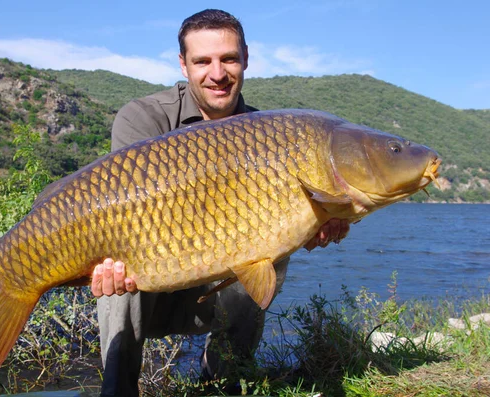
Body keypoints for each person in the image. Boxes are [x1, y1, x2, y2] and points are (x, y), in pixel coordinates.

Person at [90, 9, 350, 397]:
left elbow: (293, 220)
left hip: (212, 296)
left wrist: (317, 224)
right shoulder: (143, 118)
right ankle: (118, 390)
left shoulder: (271, 135)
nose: (217, 73)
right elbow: (127, 213)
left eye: (228, 58)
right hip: (151, 283)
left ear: (246, 57)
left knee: (268, 257)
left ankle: (222, 382)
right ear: (183, 64)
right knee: (120, 270)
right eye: (202, 61)